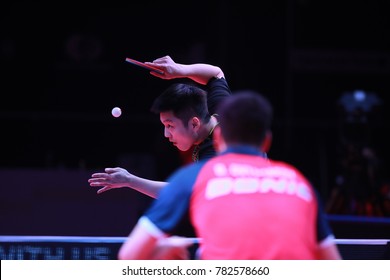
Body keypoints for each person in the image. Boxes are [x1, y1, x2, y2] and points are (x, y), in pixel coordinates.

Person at [117, 91, 342, 260]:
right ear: (267, 142)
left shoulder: (195, 177)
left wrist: (164, 253)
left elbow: (128, 256)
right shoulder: (300, 182)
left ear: (218, 136)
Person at [88, 55, 231, 198]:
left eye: (170, 125)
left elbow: (183, 192)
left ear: (194, 123)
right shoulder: (222, 111)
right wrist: (179, 70)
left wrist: (129, 180)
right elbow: (216, 74)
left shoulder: (214, 155)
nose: (166, 134)